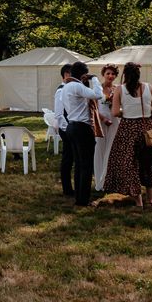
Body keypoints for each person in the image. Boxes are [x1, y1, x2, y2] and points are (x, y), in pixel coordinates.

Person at [104, 62, 152, 209]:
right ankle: (151, 200)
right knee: (150, 164)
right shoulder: (149, 87)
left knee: (129, 165)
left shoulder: (120, 90)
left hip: (128, 129)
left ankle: (138, 202)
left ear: (125, 75)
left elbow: (114, 112)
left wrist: (127, 112)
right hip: (147, 129)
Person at [62, 61, 103, 207]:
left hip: (71, 126)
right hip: (82, 128)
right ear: (83, 74)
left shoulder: (66, 87)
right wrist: (95, 79)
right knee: (86, 165)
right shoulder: (77, 86)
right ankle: (83, 200)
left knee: (78, 164)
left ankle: (79, 197)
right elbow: (98, 95)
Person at [94, 64, 120, 191]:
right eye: (108, 73)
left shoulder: (117, 89)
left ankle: (110, 181)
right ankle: (100, 181)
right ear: (103, 74)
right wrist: (103, 119)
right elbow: (93, 108)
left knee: (112, 150)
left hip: (114, 121)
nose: (110, 76)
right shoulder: (97, 88)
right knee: (100, 149)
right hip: (101, 122)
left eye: (113, 74)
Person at [54, 63, 76, 196]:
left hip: (71, 128)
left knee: (71, 157)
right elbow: (59, 114)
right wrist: (67, 130)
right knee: (67, 158)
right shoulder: (61, 90)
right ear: (66, 75)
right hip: (66, 128)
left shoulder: (70, 89)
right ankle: (67, 188)